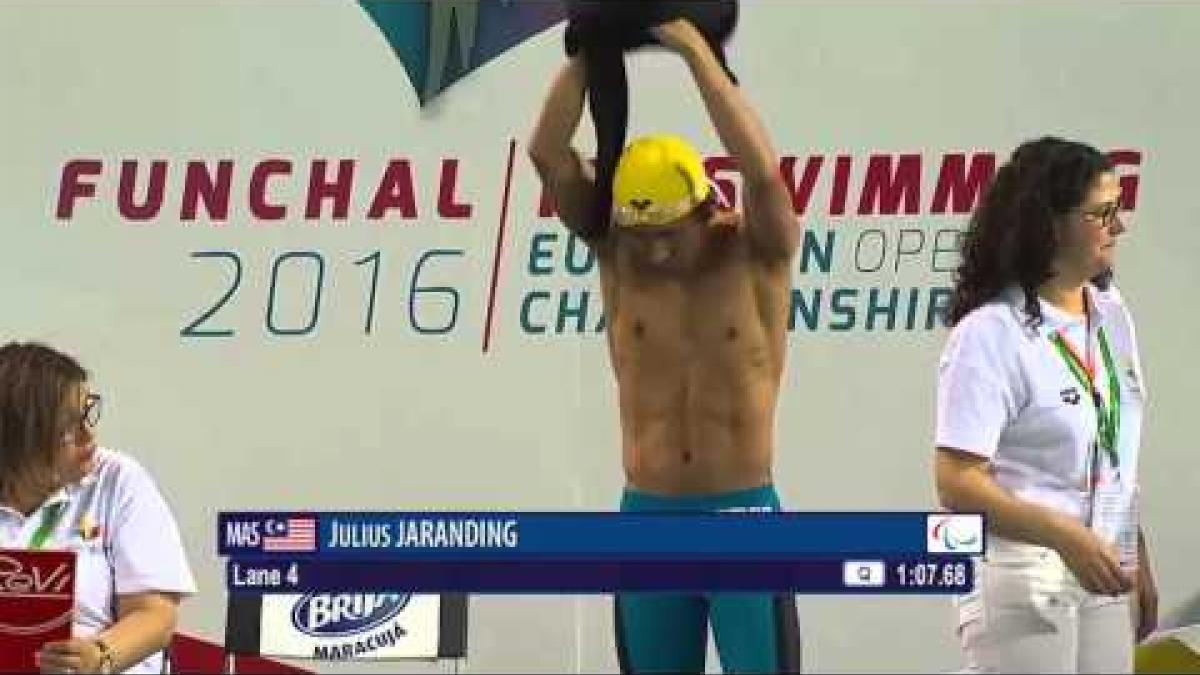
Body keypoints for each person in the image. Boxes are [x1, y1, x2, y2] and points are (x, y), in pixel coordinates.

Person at [528, 17, 802, 675]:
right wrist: (596, 43)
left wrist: (692, 51)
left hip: (743, 515)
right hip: (647, 517)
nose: (652, 249)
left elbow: (762, 172)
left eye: (667, 233)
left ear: (706, 208)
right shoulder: (618, 251)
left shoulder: (757, 250)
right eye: (639, 231)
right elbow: (547, 152)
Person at [934, 137, 1158, 673]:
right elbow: (957, 481)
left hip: (1100, 562)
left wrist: (1134, 551)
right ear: (1050, 225)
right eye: (1103, 214)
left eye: (1118, 211)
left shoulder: (1111, 316)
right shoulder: (990, 333)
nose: (1118, 228)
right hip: (1019, 570)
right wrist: (1063, 536)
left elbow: (1114, 455)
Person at [0, 342, 195, 674]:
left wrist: (98, 656)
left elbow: (156, 616)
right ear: (21, 438)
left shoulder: (117, 480)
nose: (89, 435)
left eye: (87, 413)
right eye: (68, 428)